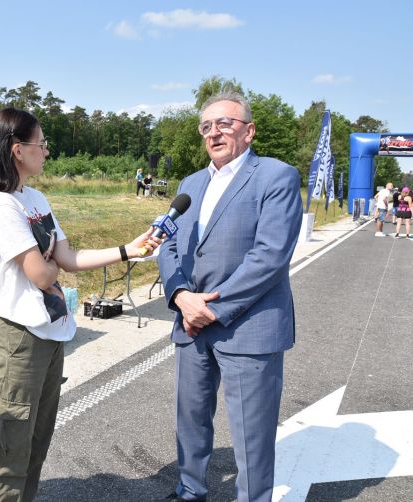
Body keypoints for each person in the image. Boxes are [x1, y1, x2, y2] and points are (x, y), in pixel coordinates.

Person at [0, 107, 161, 501]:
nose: (46, 151)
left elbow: (68, 259)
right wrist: (50, 264)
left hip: (49, 336)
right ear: (16, 149)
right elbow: (43, 276)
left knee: (35, 447)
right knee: (7, 452)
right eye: (40, 143)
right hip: (18, 343)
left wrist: (129, 250)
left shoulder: (36, 199)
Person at [158, 91, 302, 502]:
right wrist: (182, 296)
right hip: (190, 322)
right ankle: (190, 490)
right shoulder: (191, 184)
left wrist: (210, 308)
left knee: (251, 433)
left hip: (249, 326)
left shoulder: (276, 176)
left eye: (225, 123)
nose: (214, 132)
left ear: (249, 130)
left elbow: (270, 255)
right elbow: (168, 247)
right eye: (206, 126)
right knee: (190, 420)